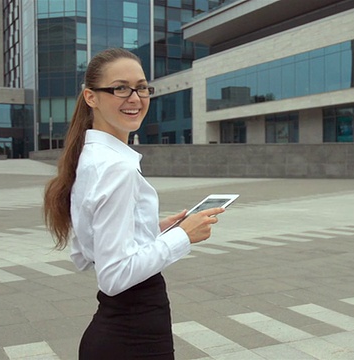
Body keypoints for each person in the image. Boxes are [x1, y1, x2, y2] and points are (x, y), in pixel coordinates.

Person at [42, 48, 224, 360]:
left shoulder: (90, 157)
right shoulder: (116, 167)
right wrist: (184, 236)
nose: (135, 98)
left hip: (119, 333)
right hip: (134, 337)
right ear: (91, 97)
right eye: (120, 88)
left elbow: (87, 251)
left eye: (141, 87)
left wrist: (152, 228)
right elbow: (113, 277)